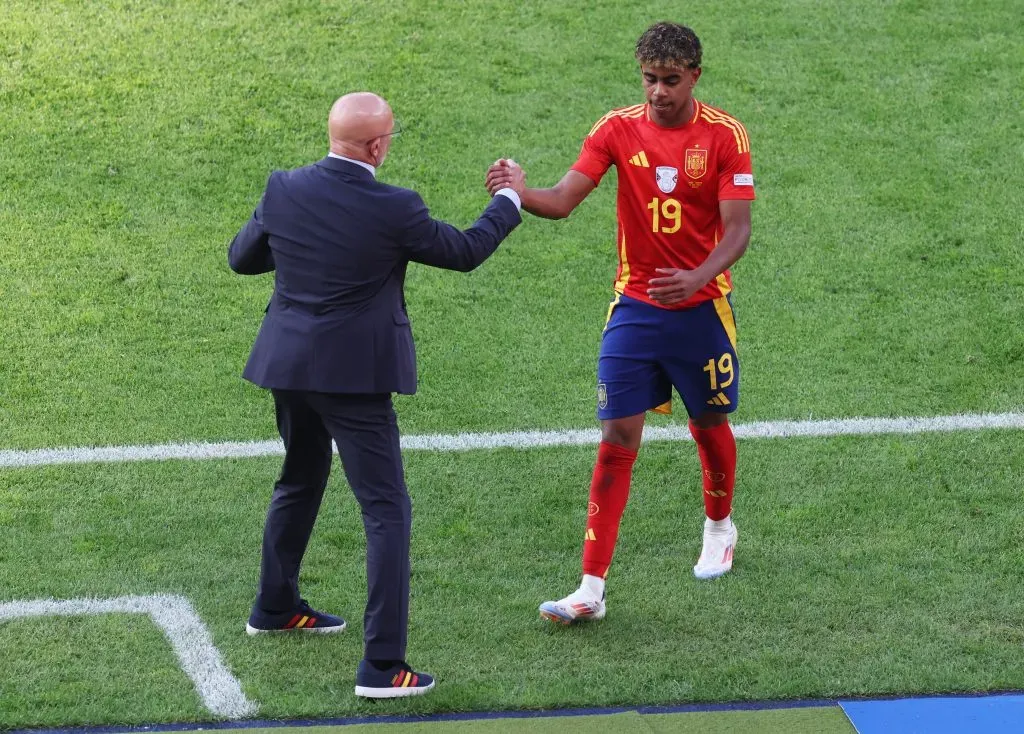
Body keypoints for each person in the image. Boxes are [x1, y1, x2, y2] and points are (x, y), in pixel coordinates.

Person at [229, 92, 524, 694]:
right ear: (377, 146)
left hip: (287, 365)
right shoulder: (393, 207)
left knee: (300, 478)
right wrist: (508, 199)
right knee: (386, 510)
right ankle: (383, 666)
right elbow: (465, 252)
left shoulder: (284, 187)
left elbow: (243, 259)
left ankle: (275, 606)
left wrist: (302, 252)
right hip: (354, 379)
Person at [487, 21, 754, 624]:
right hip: (634, 310)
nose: (658, 91)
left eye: (670, 80)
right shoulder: (615, 129)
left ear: (695, 77)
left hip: (701, 312)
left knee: (709, 422)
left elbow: (737, 230)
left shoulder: (725, 136)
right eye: (649, 79)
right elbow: (562, 200)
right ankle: (590, 589)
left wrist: (696, 277)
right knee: (616, 439)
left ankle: (719, 528)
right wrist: (522, 191)